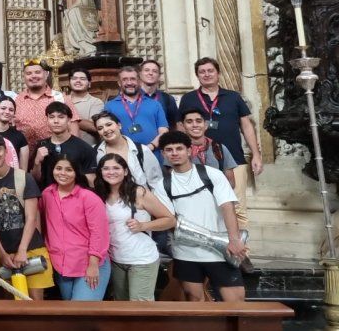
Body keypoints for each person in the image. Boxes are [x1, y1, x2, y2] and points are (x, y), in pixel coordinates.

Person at [153, 130, 247, 302]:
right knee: (194, 301)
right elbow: (168, 219)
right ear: (164, 154)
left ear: (189, 151)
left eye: (179, 148)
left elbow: (227, 206)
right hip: (185, 253)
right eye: (169, 149)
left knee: (236, 301)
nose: (174, 153)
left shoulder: (212, 174)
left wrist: (234, 239)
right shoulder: (162, 185)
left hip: (220, 250)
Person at [179, 57, 263, 214]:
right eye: (202, 72)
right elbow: (180, 127)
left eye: (210, 71)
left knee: (237, 208)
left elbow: (247, 126)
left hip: (234, 158)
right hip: (199, 160)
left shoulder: (233, 97)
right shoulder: (188, 98)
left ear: (218, 73)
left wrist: (256, 155)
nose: (206, 74)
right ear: (197, 75)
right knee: (205, 208)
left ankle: (238, 239)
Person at [93, 153, 176, 301]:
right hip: (116, 259)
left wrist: (143, 225)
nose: (111, 172)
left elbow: (169, 220)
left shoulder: (138, 192)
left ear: (125, 171)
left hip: (141, 258)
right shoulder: (99, 194)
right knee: (121, 305)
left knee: (140, 306)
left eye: (116, 168)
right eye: (106, 168)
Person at [0, 134, 52, 300]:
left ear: (6, 151)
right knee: (10, 308)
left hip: (31, 248)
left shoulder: (23, 177)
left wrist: (22, 251)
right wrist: (2, 254)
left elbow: (31, 218)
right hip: (2, 253)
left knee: (35, 305)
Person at [39, 155, 110, 300]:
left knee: (82, 314)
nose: (62, 173)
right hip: (61, 266)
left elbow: (99, 233)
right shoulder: (47, 194)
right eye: (58, 168)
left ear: (76, 173)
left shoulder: (89, 198)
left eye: (68, 170)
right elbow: (41, 223)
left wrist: (93, 264)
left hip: (89, 264)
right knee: (70, 313)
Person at [31, 102, 97, 188]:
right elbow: (36, 179)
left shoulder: (84, 148)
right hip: (47, 197)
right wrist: (37, 162)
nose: (56, 121)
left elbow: (91, 182)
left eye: (61, 117)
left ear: (69, 121)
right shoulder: (41, 145)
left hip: (74, 198)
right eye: (51, 117)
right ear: (47, 120)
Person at [103, 66, 169, 152]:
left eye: (133, 79)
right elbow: (107, 132)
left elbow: (164, 131)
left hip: (153, 153)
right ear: (119, 83)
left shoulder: (155, 104)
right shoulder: (110, 106)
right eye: (125, 79)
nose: (129, 82)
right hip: (123, 156)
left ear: (140, 82)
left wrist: (150, 147)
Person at [93, 111, 163, 190]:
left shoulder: (142, 150)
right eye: (100, 128)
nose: (105, 130)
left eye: (109, 124)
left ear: (119, 125)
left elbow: (156, 183)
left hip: (142, 200)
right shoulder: (94, 152)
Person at [177, 105, 240, 185]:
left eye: (199, 121)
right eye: (189, 122)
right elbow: (172, 180)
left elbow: (230, 182)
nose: (195, 125)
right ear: (183, 126)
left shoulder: (219, 148)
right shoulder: (176, 150)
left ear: (206, 125)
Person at [14, 60, 67, 149]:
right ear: (24, 77)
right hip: (24, 155)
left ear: (46, 74)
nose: (33, 76)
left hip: (55, 153)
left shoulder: (60, 98)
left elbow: (73, 129)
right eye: (29, 73)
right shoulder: (16, 100)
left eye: (37, 72)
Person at [0, 96, 30, 171]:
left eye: (11, 110)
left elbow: (23, 171)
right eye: (3, 108)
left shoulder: (19, 136)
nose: (7, 112)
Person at [139, 59, 181, 129]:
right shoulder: (131, 97)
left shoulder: (168, 99)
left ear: (159, 76)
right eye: (146, 70)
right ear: (140, 74)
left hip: (163, 138)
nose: (150, 73)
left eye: (154, 71)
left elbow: (174, 125)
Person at [67, 68, 105, 145]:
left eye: (82, 79)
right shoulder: (61, 99)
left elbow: (94, 126)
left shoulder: (96, 102)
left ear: (89, 83)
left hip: (87, 147)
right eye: (74, 78)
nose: (78, 81)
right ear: (69, 83)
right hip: (62, 146)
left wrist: (66, 115)